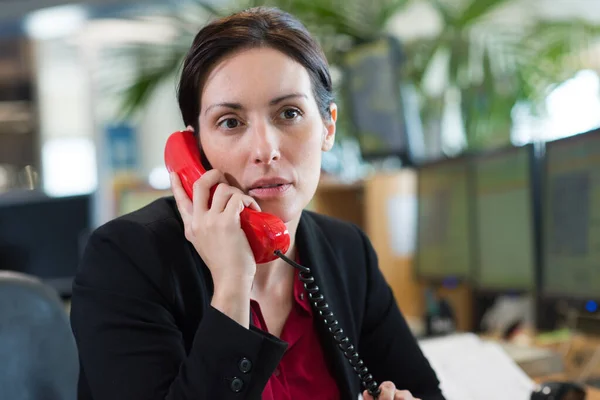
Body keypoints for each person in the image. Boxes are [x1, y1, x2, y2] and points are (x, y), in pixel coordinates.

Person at [70, 6, 444, 400]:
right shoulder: (127, 259)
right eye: (230, 122)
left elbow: (424, 391)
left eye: (289, 113)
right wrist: (232, 287)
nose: (265, 150)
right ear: (194, 149)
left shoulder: (346, 251)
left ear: (328, 126)